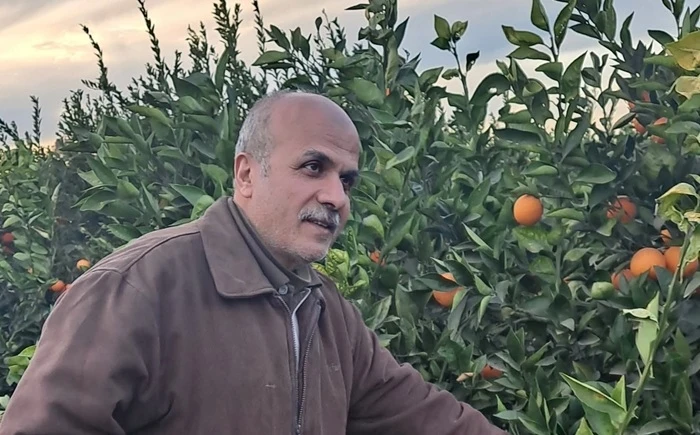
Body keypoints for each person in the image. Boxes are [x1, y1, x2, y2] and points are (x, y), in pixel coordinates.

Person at [0, 90, 507, 434]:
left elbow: (421, 416)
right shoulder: (138, 288)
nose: (336, 196)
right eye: (313, 167)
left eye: (347, 180)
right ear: (246, 174)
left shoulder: (325, 310)